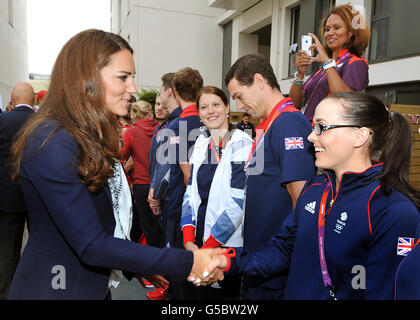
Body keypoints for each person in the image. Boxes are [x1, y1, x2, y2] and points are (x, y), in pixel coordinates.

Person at [7, 29, 220, 300]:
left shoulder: (83, 135)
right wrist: (190, 262)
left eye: (132, 77)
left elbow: (104, 223)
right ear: (87, 79)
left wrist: (135, 265)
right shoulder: (51, 141)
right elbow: (91, 243)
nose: (132, 88)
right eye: (123, 78)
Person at [201, 92, 420, 300]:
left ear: (359, 136)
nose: (310, 136)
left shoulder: (393, 210)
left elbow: (383, 290)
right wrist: (228, 260)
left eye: (321, 127)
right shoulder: (315, 189)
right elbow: (282, 250)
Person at [224, 54, 316, 300]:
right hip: (261, 260)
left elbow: (303, 202)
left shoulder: (289, 124)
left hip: (276, 266)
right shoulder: (271, 125)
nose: (240, 106)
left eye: (239, 96)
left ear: (259, 80)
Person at [180, 86, 252, 299]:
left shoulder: (242, 144)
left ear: (227, 107)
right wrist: (188, 240)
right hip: (197, 241)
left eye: (216, 105)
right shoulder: (201, 145)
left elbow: (238, 205)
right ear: (199, 114)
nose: (210, 111)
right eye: (204, 107)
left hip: (224, 246)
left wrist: (208, 247)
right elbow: (190, 193)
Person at [289, 4, 370, 122]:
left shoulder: (356, 62)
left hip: (329, 132)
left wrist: (327, 62)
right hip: (308, 131)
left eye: (337, 27)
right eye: (327, 29)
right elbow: (296, 102)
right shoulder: (323, 67)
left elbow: (344, 100)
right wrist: (300, 74)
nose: (330, 33)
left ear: (351, 32)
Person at [0, 82, 35, 299]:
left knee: (6, 251)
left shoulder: (2, 121)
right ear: (33, 99)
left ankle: (6, 293)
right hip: (38, 196)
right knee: (41, 246)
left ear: (12, 98)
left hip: (6, 196)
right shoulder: (44, 123)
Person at [121, 100, 160, 248]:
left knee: (147, 225)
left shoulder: (131, 133)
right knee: (160, 224)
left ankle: (153, 261)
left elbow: (119, 157)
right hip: (161, 184)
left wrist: (127, 181)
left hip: (142, 185)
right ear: (150, 112)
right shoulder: (162, 129)